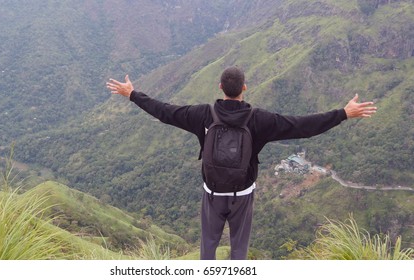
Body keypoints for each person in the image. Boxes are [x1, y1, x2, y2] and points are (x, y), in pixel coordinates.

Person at [106, 66, 377, 260]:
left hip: (212, 195)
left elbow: (165, 111)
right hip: (243, 195)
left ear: (220, 87)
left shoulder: (202, 115)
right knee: (239, 249)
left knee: (208, 246)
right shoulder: (260, 120)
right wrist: (343, 113)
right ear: (244, 88)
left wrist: (132, 94)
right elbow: (303, 126)